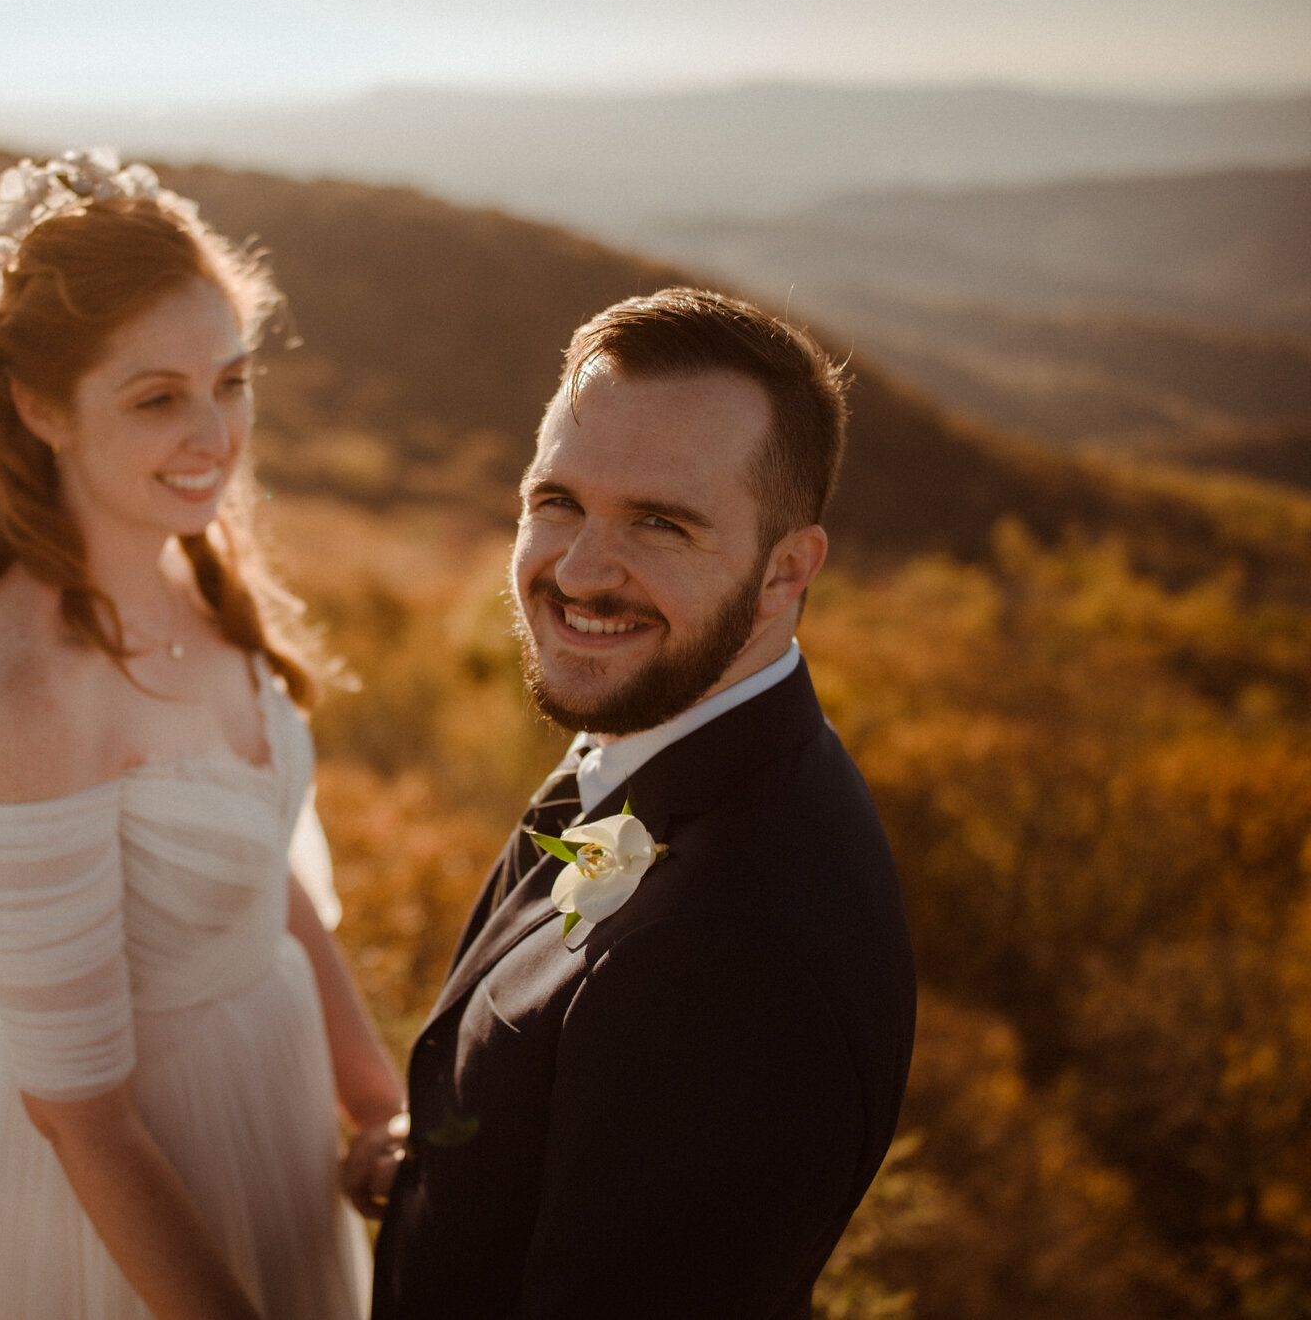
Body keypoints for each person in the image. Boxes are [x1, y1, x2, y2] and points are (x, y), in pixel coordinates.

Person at [352, 288, 917, 1318]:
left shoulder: (729, 964)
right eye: (555, 501)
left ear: (785, 571)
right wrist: (453, 1173)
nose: (578, 571)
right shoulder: (662, 748)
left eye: (660, 522)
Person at [0, 151, 402, 1320]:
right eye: (155, 397)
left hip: (275, 1120)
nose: (213, 436)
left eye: (229, 381)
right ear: (40, 408)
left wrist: (377, 1105)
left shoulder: (202, 571)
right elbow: (79, 1116)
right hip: (125, 1211)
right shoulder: (26, 681)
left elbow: (268, 876)